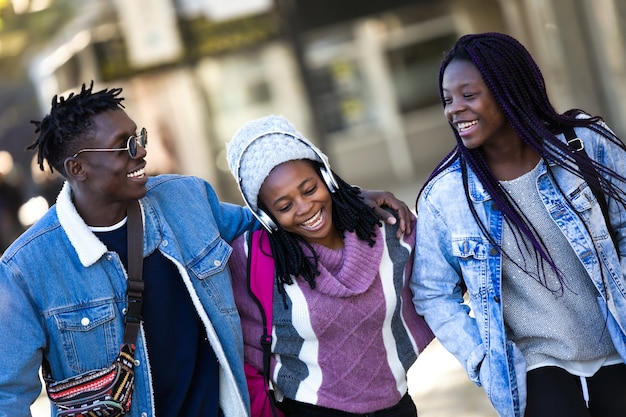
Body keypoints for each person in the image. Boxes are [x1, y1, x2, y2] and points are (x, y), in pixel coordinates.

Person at [0, 83, 414, 417]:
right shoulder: (27, 268)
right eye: (124, 145)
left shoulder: (187, 198)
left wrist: (352, 201)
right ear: (78, 168)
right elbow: (8, 395)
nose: (141, 150)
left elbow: (276, 222)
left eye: (137, 138)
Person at [410, 32, 626, 417]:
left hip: (618, 343)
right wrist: (485, 359)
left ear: (509, 90)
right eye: (447, 99)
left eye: (468, 95)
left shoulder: (584, 145)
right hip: (538, 364)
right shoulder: (446, 196)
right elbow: (431, 291)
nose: (454, 109)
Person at [225, 115, 434, 417]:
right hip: (309, 410)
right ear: (267, 216)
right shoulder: (250, 260)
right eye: (284, 206)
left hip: (395, 405)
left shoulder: (385, 228)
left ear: (328, 178)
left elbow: (442, 276)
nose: (305, 207)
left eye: (309, 189)